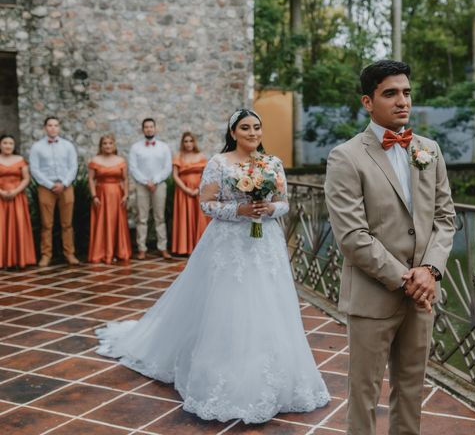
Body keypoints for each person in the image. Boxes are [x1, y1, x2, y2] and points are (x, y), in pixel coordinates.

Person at [96, 109, 329, 423]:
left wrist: (268, 207)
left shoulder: (272, 163)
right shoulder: (219, 163)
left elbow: (284, 202)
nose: (252, 132)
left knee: (268, 304)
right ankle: (222, 373)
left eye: (257, 127)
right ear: (233, 132)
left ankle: (273, 372)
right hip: (229, 245)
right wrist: (240, 209)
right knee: (228, 305)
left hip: (265, 244)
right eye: (245, 127)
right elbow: (206, 204)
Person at [324, 60, 456, 434]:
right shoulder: (345, 157)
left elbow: (445, 219)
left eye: (407, 92)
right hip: (373, 297)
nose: (403, 101)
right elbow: (352, 236)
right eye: (391, 93)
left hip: (422, 297)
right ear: (368, 101)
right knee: (363, 395)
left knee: (412, 392)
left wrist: (429, 272)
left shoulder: (429, 150)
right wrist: (406, 278)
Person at [29, 116, 79, 267]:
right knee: (46, 224)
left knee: (67, 223)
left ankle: (69, 253)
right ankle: (46, 255)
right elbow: (35, 169)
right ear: (45, 128)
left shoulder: (68, 146)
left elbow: (73, 167)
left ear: (59, 128)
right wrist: (51, 185)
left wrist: (63, 183)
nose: (53, 128)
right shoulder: (37, 147)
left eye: (56, 125)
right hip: (46, 188)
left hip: (66, 187)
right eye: (50, 125)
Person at [129, 118, 172, 260]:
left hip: (159, 186)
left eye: (151, 127)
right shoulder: (136, 147)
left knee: (160, 217)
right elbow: (133, 168)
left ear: (155, 128)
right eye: (146, 127)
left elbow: (167, 167)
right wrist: (146, 182)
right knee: (141, 218)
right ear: (143, 129)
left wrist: (155, 181)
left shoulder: (164, 147)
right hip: (142, 186)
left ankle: (162, 247)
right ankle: (142, 248)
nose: (148, 129)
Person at [87, 134, 132, 264]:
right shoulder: (95, 160)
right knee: (102, 222)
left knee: (116, 222)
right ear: (101, 146)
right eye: (105, 143)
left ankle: (118, 251)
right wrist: (94, 195)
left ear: (114, 145)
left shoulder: (120, 160)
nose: (107, 146)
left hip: (117, 195)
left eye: (110, 143)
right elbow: (91, 179)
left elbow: (125, 179)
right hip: (101, 195)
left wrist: (126, 195)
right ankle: (102, 252)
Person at [0, 134, 36, 269]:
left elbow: (26, 178)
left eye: (10, 143)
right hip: (0, 197)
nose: (8, 146)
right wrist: (1, 192)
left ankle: (18, 258)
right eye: (5, 143)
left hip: (17, 198)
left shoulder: (20, 159)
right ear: (0, 145)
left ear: (14, 146)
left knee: (18, 225)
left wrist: (15, 191)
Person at [171, 132, 210, 255]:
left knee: (200, 217)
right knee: (184, 217)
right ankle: (185, 248)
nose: (188, 144)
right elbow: (175, 175)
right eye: (186, 141)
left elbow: (206, 174)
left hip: (199, 191)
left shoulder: (201, 156)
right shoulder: (179, 156)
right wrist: (186, 189)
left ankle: (200, 247)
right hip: (183, 192)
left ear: (194, 142)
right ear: (183, 143)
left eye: (190, 141)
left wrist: (199, 189)